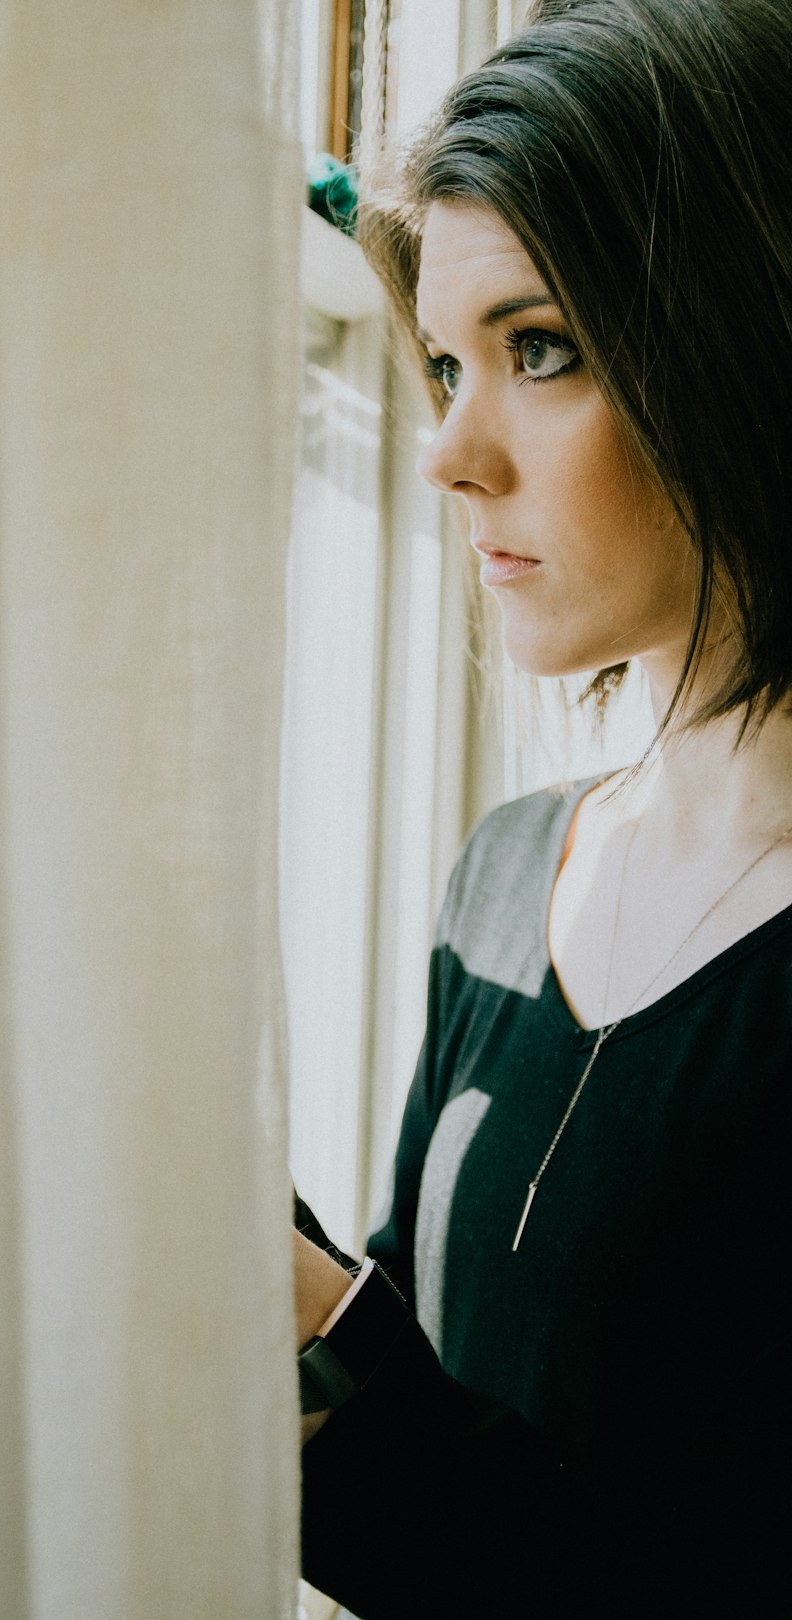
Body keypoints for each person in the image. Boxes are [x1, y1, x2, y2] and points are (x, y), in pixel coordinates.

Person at [291, 0, 792, 1612]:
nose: (447, 449)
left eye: (541, 349)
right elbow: (431, 1409)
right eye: (444, 362)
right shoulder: (507, 874)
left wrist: (305, 1318)